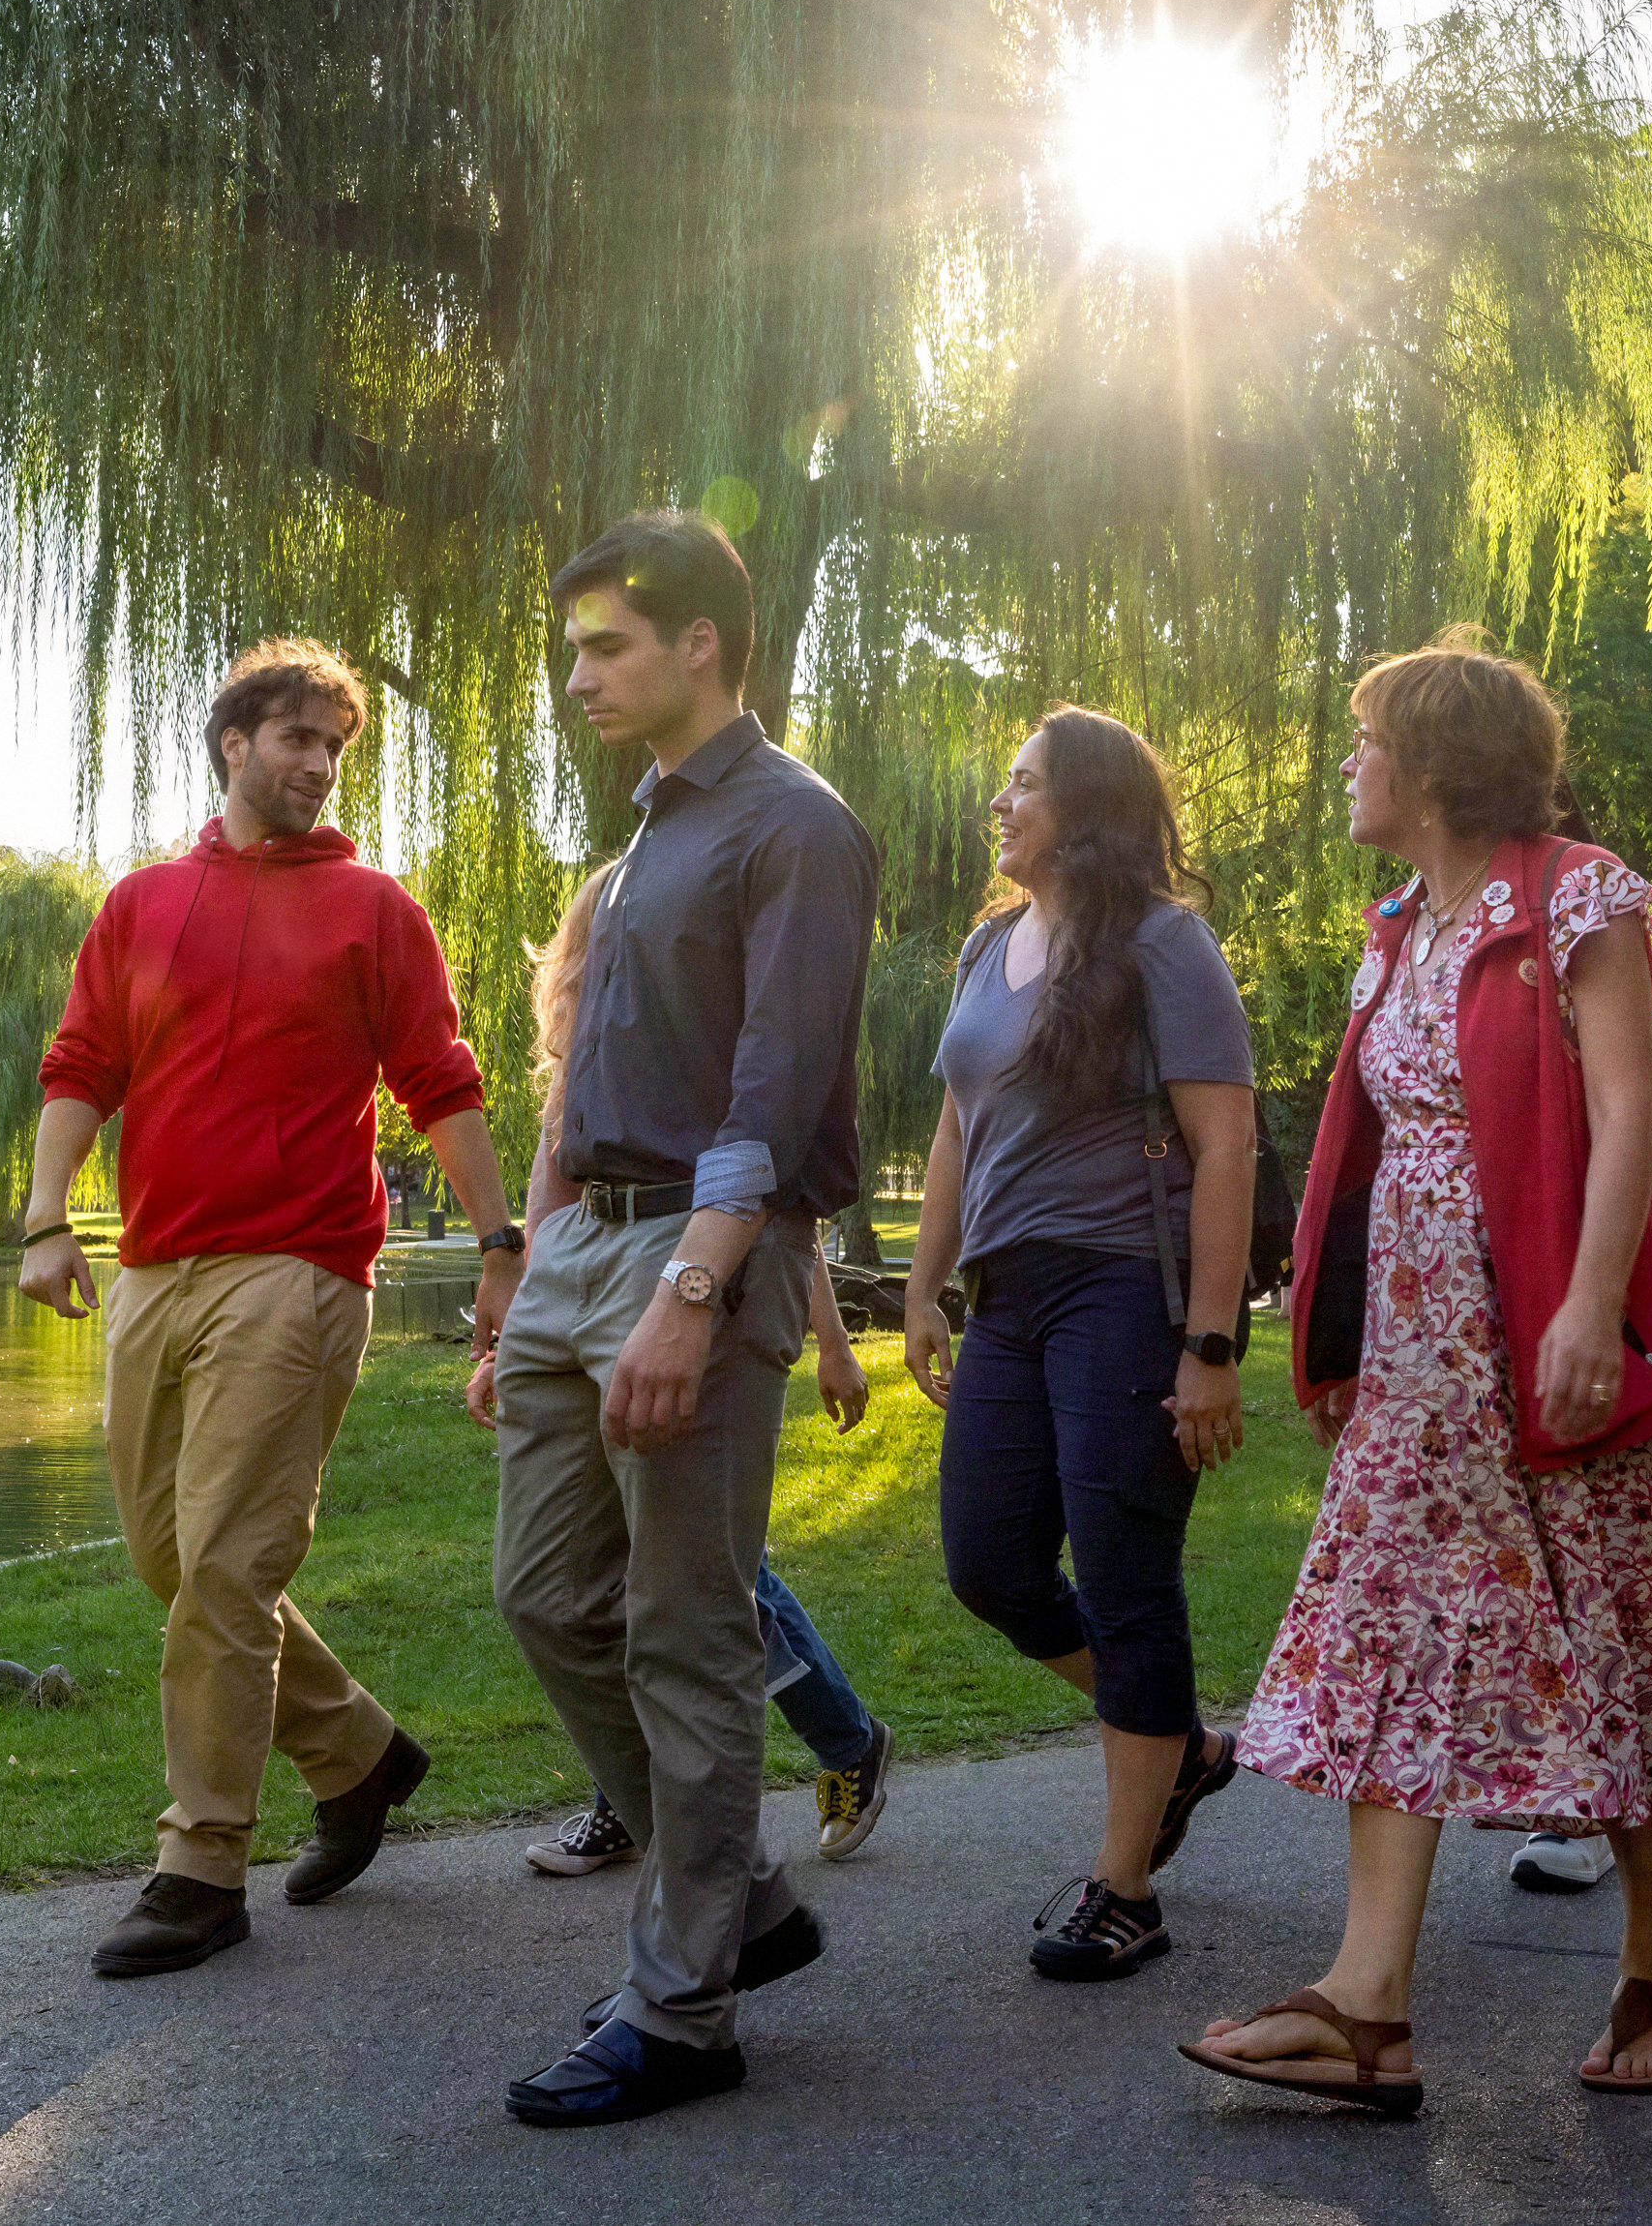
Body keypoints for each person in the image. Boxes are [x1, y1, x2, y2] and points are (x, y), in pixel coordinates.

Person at [1182, 628, 1652, 2120]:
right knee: (1394, 1637)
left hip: (1550, 1347)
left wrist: (1588, 1309)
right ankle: (1366, 2006)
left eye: (1365, 736)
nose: (1346, 761)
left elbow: (1627, 1111)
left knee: (1621, 1630)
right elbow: (1368, 1142)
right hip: (1418, 1370)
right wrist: (1334, 1339)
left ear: (1438, 760)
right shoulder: (1397, 922)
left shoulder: (1578, 895)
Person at [18, 639, 527, 1982]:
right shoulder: (141, 902)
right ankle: (359, 1749)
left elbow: (441, 1080)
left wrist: (497, 1240)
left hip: (298, 1265)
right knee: (169, 1560)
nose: (315, 764)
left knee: (231, 1566)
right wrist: (44, 1213)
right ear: (233, 741)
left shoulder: (374, 909)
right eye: (295, 737)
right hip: (153, 1264)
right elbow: (84, 1059)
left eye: (334, 748)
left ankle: (201, 1864)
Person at [482, 512, 878, 2129]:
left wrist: (695, 1289)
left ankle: (685, 2003)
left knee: (690, 1629)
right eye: (575, 648)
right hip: (587, 1244)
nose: (579, 674)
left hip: (705, 1251)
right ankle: (744, 1905)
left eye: (607, 646)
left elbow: (775, 1089)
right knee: (544, 1592)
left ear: (703, 641)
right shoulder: (645, 838)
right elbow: (587, 1066)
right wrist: (533, 1250)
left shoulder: (797, 828)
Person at [896, 705, 1256, 1982]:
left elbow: (1226, 1145)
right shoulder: (988, 947)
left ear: (1087, 808)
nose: (1001, 804)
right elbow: (956, 1126)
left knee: (1123, 1571)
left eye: (1025, 784)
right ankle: (1180, 1744)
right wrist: (925, 1284)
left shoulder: (1166, 943)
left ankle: (1127, 1884)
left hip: (1123, 1290)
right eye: (1004, 781)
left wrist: (1209, 1343)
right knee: (989, 1560)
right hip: (1009, 1294)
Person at [496, 864, 898, 1880]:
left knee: (702, 1581)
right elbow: (553, 1200)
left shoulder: (699, 1043)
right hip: (581, 1305)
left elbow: (761, 1197)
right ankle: (633, 1802)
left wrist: (836, 1342)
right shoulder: (581, 1059)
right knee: (592, 1580)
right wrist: (513, 1339)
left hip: (685, 1294)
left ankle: (842, 1743)